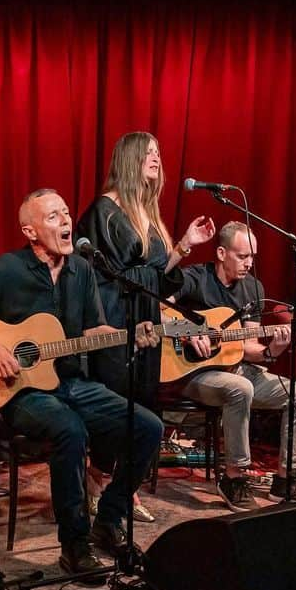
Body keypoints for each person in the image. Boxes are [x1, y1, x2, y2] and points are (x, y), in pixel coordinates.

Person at [0, 188, 164, 579]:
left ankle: (108, 520)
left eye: (65, 213)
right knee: (70, 430)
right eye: (53, 217)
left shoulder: (82, 270)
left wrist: (130, 333)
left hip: (71, 383)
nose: (65, 222)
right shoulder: (7, 270)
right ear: (29, 230)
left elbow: (94, 328)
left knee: (148, 426)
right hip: (19, 392)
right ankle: (74, 544)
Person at [76, 132, 215, 522]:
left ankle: (122, 488)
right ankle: (97, 478)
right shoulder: (104, 210)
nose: (156, 158)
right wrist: (119, 327)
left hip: (147, 320)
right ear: (130, 158)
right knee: (117, 408)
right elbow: (99, 280)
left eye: (158, 151)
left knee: (143, 405)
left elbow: (156, 274)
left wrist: (185, 244)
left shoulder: (147, 213)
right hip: (118, 323)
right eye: (148, 153)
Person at [174, 221, 296, 510]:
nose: (249, 263)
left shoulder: (253, 287)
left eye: (253, 257)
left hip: (238, 368)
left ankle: (286, 480)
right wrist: (187, 331)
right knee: (240, 388)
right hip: (194, 372)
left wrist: (272, 350)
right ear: (222, 253)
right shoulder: (194, 278)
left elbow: (249, 346)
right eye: (242, 256)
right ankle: (234, 477)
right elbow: (157, 309)